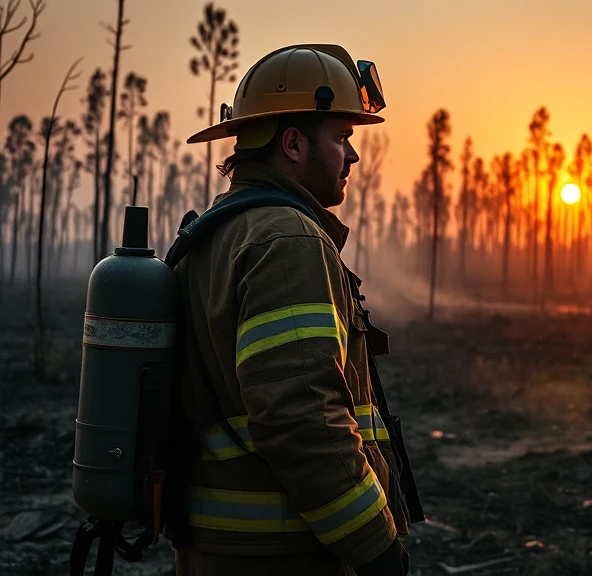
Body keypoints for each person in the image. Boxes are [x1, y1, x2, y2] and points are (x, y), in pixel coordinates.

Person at [166, 44, 411, 576]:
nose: (354, 156)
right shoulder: (288, 240)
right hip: (283, 554)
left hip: (219, 550)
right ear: (294, 143)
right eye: (342, 137)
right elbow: (302, 418)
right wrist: (377, 549)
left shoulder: (214, 236)